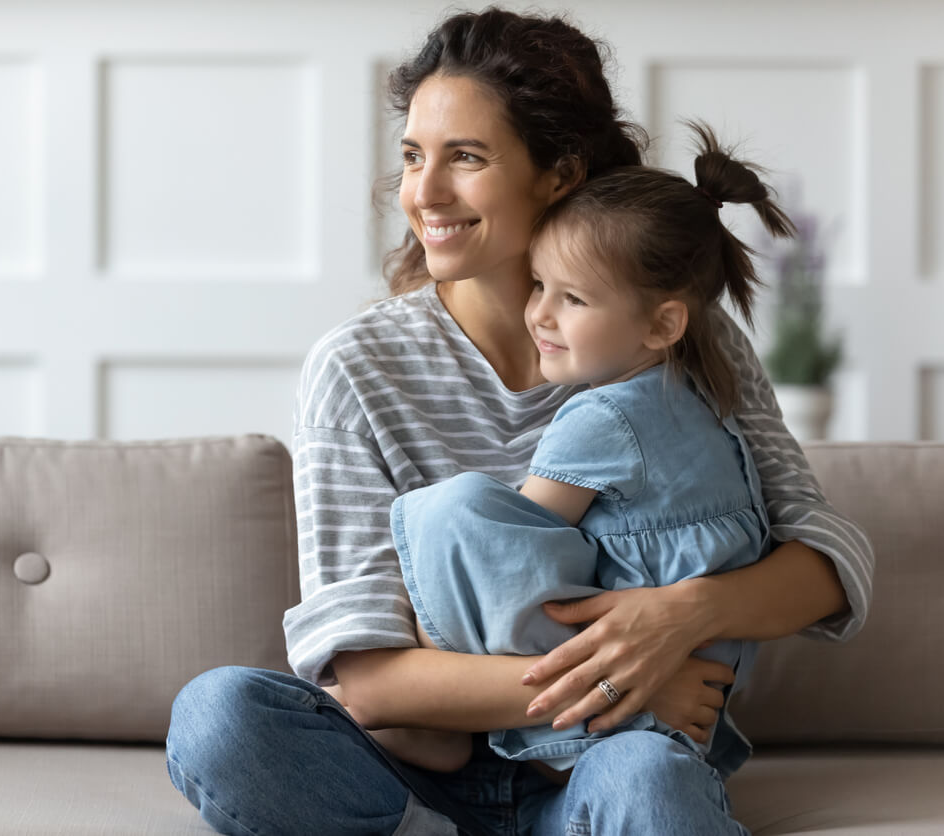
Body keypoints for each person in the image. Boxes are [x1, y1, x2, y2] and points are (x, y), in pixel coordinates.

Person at [167, 8, 873, 835]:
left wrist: (679, 618)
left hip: (613, 756)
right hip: (412, 772)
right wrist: (622, 678)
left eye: (464, 157)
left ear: (559, 173)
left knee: (650, 781)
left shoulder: (675, 341)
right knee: (219, 717)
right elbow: (366, 679)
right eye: (412, 156)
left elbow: (829, 561)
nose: (422, 193)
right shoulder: (356, 368)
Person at [375, 123, 790, 777]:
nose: (538, 314)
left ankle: (464, 710)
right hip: (712, 667)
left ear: (663, 324)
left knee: (451, 513)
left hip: (635, 672)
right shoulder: (700, 388)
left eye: (572, 298)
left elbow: (511, 540)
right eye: (538, 286)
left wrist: (430, 638)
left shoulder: (599, 418)